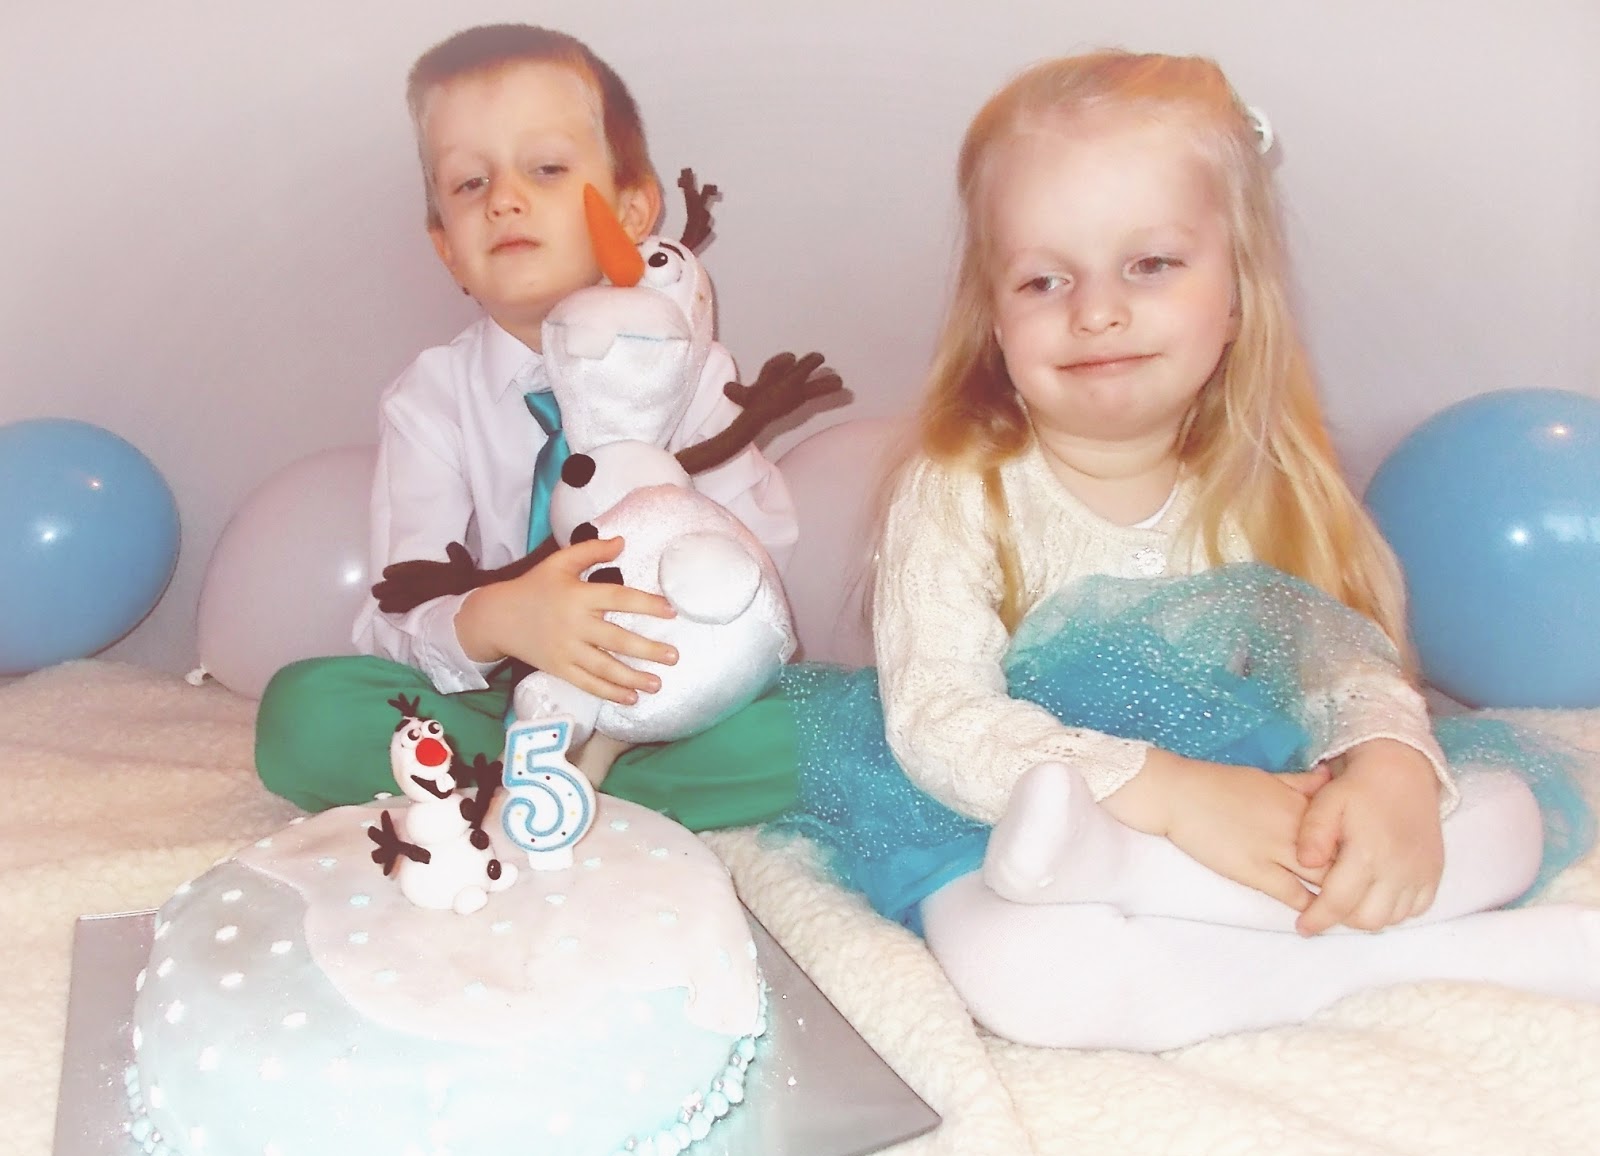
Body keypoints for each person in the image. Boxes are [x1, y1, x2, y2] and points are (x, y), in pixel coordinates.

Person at [765, 49, 1598, 1051]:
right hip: (1019, 802)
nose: (1095, 310)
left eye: (1150, 264)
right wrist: (1167, 794)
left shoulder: (1258, 479)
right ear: (994, 321)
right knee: (1018, 967)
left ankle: (1254, 939)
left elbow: (1339, 664)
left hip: (1245, 799)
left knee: (1502, 815)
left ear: (1236, 296)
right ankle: (1369, 938)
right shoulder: (961, 485)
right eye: (1043, 279)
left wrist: (1389, 762)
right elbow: (942, 718)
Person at [253, 24, 799, 824]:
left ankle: (573, 785)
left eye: (546, 169)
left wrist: (680, 630)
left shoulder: (694, 370)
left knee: (814, 730)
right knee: (304, 716)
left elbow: (766, 559)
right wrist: (501, 618)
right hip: (506, 693)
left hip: (670, 689)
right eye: (470, 183)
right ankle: (552, 776)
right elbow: (393, 612)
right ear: (446, 246)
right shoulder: (430, 398)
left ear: (633, 211)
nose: (505, 198)